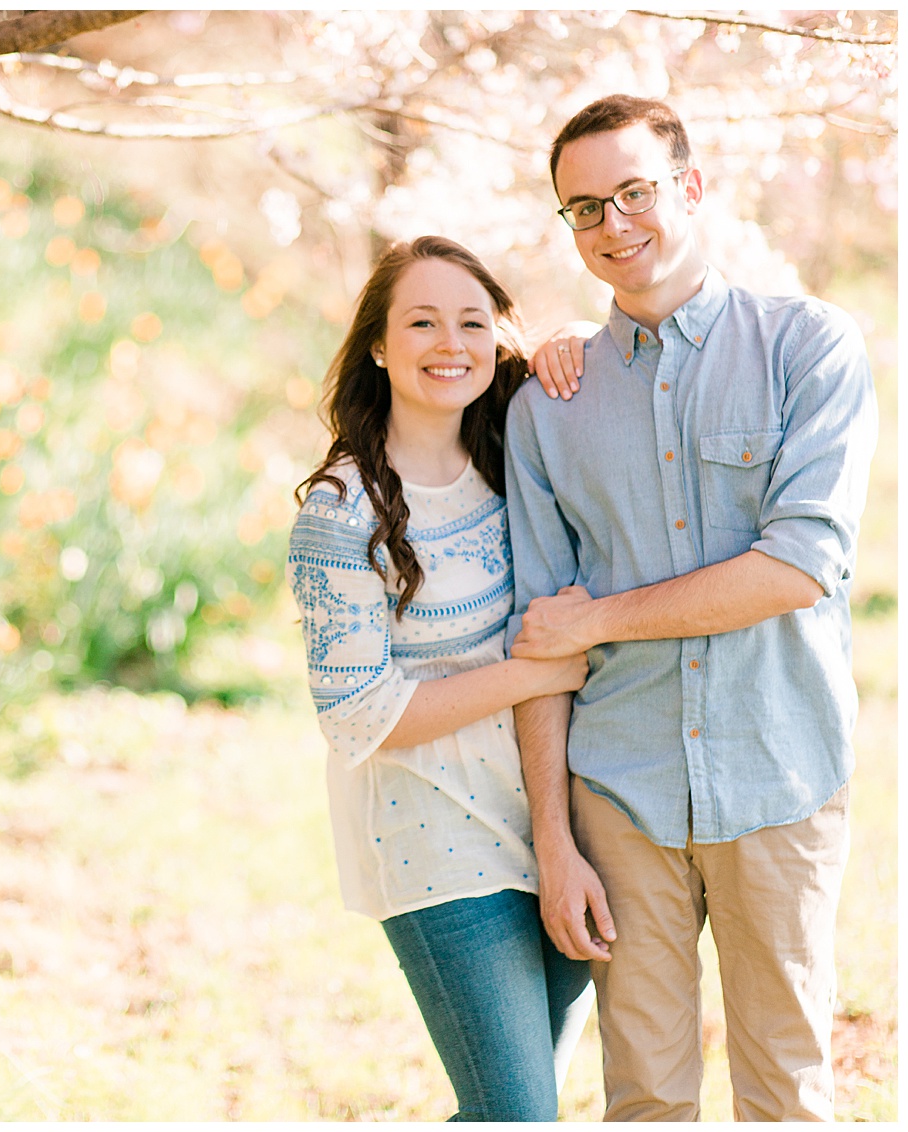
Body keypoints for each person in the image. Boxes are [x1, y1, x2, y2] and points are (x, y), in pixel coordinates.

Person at [503, 94, 877, 1121]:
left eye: (634, 193)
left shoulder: (809, 348)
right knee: (645, 1098)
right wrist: (554, 839)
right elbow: (540, 637)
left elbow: (797, 566)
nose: (615, 226)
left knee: (787, 1091)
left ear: (692, 187)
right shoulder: (549, 406)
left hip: (779, 772)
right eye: (584, 208)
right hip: (620, 797)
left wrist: (600, 618)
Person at [287, 235, 595, 1122]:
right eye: (421, 322)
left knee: (516, 1104)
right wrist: (537, 667)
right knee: (519, 1114)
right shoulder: (342, 515)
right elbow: (358, 716)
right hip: (435, 843)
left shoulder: (514, 459)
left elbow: (587, 349)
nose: (448, 343)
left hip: (555, 821)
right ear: (378, 345)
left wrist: (569, 333)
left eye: (470, 321)